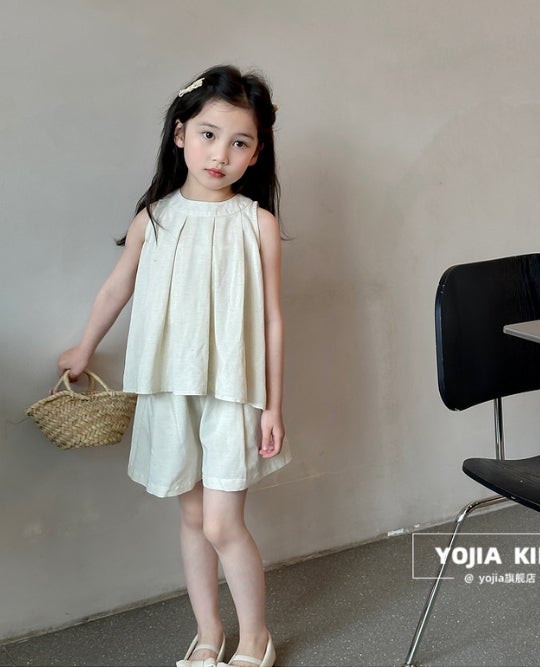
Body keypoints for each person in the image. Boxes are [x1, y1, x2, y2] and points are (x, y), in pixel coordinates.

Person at [57, 65, 291, 667]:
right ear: (181, 134)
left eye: (239, 143)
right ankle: (209, 635)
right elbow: (118, 288)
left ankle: (255, 637)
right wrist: (84, 348)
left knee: (222, 524)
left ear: (255, 154)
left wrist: (272, 405)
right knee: (192, 518)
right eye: (209, 135)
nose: (220, 154)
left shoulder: (256, 224)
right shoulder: (154, 218)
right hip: (168, 388)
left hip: (233, 391)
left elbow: (271, 319)